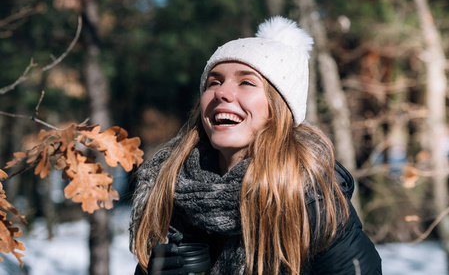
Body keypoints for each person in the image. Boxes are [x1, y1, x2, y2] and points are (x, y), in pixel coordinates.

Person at [129, 16, 382, 275]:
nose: (221, 92)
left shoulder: (311, 200)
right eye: (214, 82)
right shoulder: (171, 188)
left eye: (246, 82)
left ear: (278, 109)